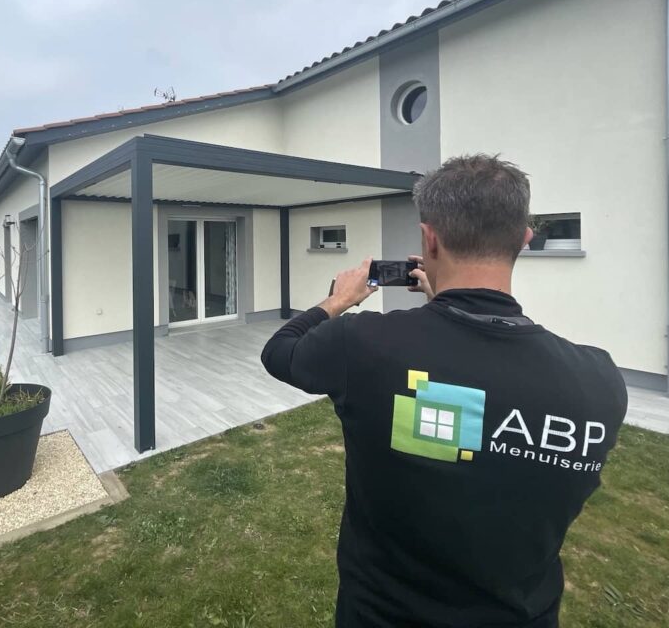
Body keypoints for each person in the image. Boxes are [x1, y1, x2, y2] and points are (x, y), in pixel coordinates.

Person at [261, 154, 628, 628]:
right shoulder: (599, 383)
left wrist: (340, 299)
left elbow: (281, 351)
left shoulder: (364, 346)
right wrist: (445, 305)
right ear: (524, 239)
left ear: (429, 239)